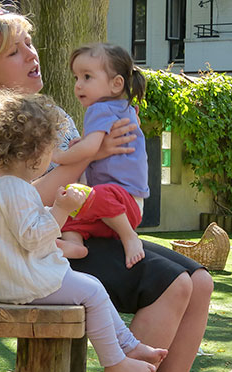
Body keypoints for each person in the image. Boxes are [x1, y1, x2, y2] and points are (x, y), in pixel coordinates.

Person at [0, 3, 213, 372]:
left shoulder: (51, 113)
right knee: (173, 284)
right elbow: (10, 206)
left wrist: (114, 155)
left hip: (75, 233)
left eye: (29, 43)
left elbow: (82, 183)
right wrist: (92, 154)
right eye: (14, 51)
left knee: (201, 280)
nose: (31, 54)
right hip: (36, 255)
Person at [0, 90, 167, 372]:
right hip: (24, 283)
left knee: (91, 287)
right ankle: (115, 361)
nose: (50, 160)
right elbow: (33, 238)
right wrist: (62, 209)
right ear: (32, 153)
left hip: (6, 280)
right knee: (94, 291)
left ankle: (130, 345)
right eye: (48, 152)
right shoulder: (16, 188)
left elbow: (13, 233)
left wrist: (54, 218)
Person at [55, 43, 149, 269]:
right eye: (76, 77)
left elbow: (89, 150)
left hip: (120, 203)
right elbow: (93, 147)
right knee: (70, 213)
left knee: (96, 194)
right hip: (113, 214)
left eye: (87, 77)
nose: (78, 85)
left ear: (116, 84)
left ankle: (129, 237)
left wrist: (58, 156)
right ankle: (75, 244)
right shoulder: (123, 108)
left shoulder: (99, 109)